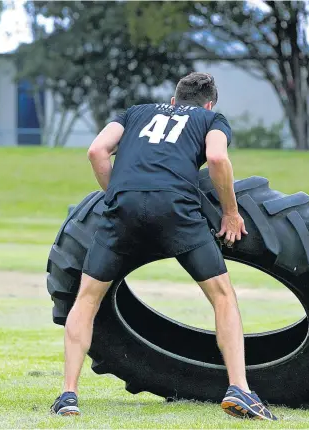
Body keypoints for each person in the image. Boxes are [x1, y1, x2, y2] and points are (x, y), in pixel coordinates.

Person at [50, 72, 277, 420]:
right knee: (222, 296)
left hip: (123, 206)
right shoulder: (211, 118)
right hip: (175, 207)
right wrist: (230, 213)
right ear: (209, 102)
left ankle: (68, 395)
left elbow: (96, 150)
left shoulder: (135, 112)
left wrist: (115, 195)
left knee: (87, 298)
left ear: (173, 100)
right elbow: (217, 159)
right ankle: (240, 390)